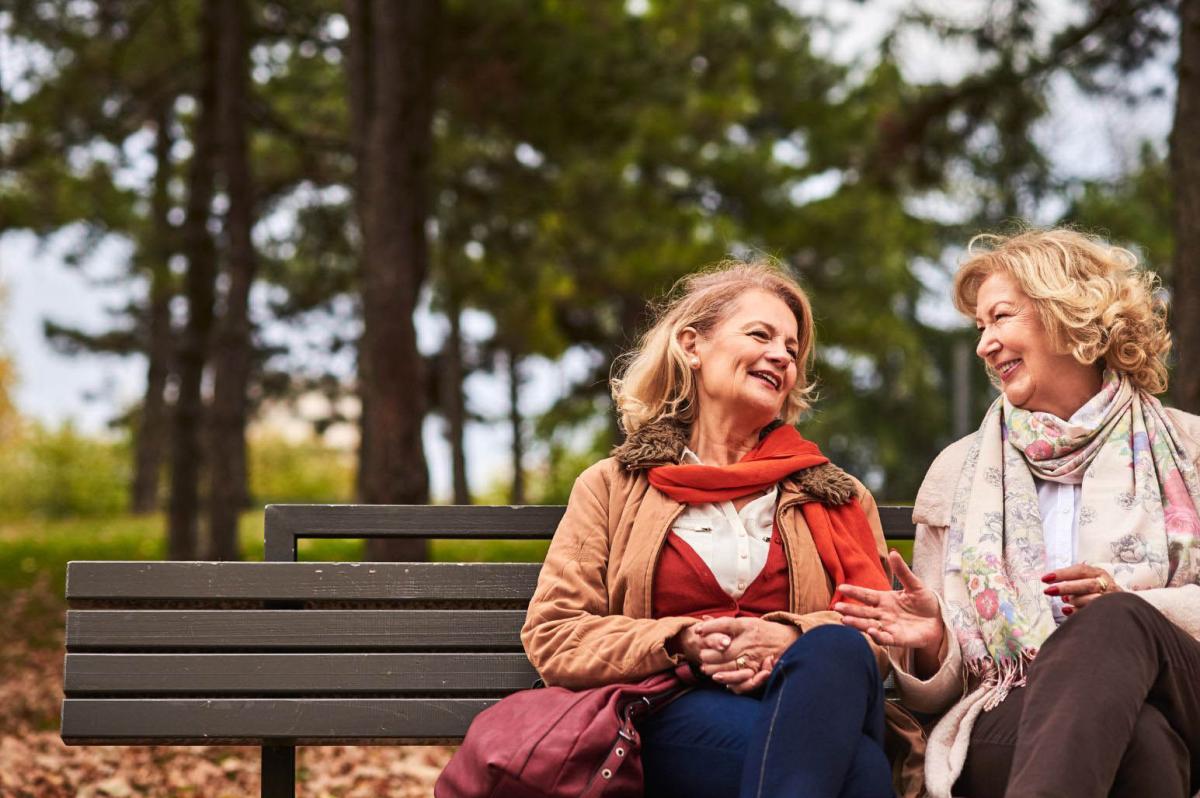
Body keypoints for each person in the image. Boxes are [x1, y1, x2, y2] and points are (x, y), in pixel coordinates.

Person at [520, 261, 923, 798]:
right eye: (761, 335)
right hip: (674, 710)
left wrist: (789, 638)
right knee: (861, 773)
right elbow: (556, 633)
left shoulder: (837, 494)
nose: (782, 355)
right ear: (692, 345)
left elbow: (876, 635)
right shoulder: (613, 486)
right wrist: (680, 639)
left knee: (837, 649)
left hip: (820, 699)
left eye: (792, 348)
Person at [836, 228, 1200, 798]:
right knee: (1142, 745)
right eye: (980, 327)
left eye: (1001, 318)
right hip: (1014, 706)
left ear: (1067, 313)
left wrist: (1132, 604)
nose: (984, 344)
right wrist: (934, 642)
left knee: (1114, 621)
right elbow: (943, 687)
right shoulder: (958, 472)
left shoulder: (1190, 446)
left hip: (1183, 690)